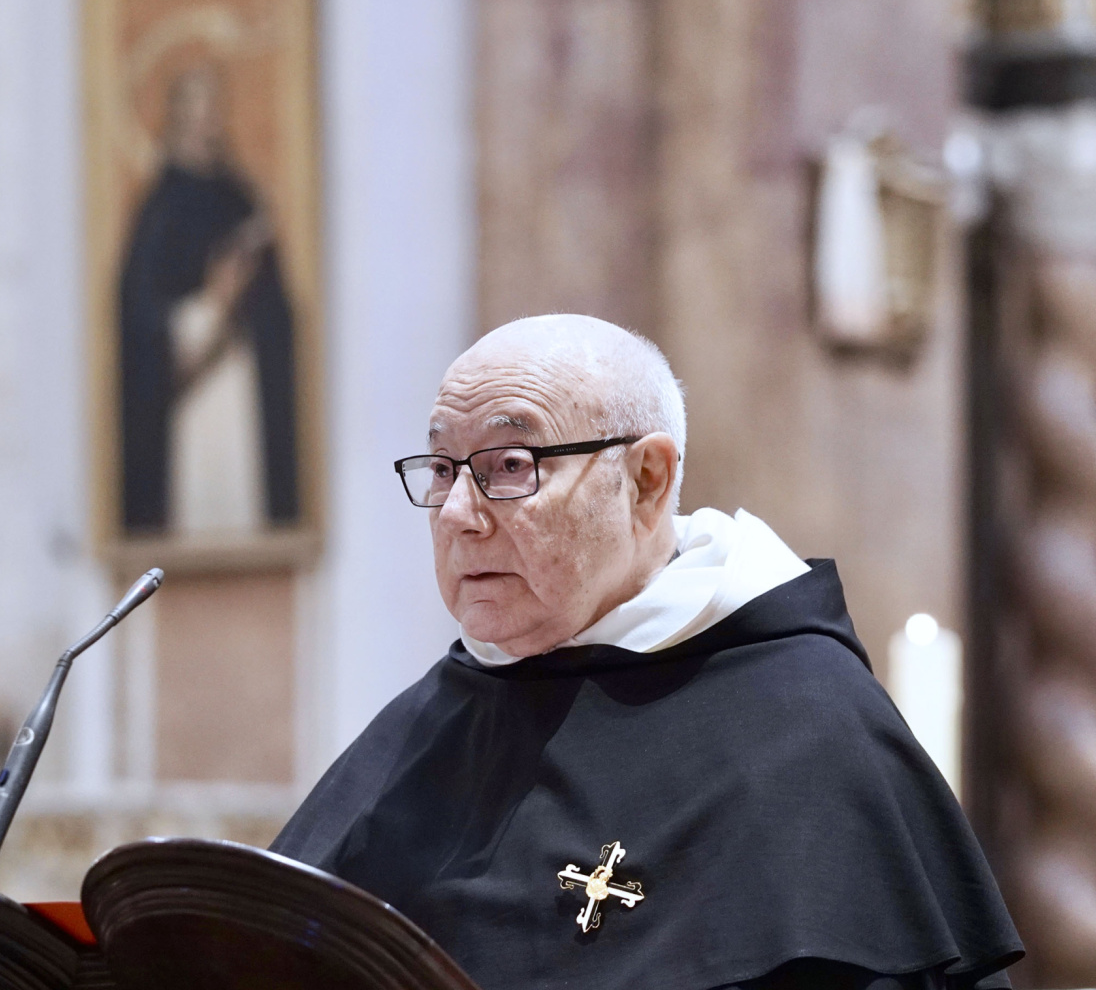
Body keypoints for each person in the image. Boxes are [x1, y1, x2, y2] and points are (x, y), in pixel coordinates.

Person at [271, 315, 1021, 990]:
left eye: (509, 466)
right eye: (442, 469)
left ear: (646, 480)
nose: (460, 515)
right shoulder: (438, 715)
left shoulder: (806, 724)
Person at [117, 62, 298, 536]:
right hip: (190, 403)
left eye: (212, 109)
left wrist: (249, 304)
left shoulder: (241, 200)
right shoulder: (159, 211)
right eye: (193, 109)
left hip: (239, 382)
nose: (204, 121)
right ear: (175, 118)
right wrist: (210, 306)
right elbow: (138, 319)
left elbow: (277, 313)